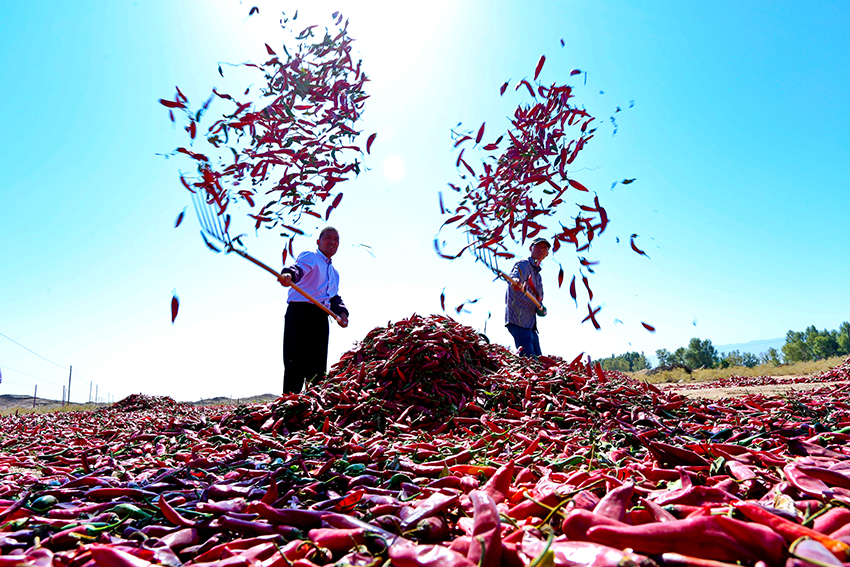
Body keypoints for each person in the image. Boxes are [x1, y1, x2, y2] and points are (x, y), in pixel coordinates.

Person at [279, 227, 350, 394]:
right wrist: (289, 276)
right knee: (294, 363)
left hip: (320, 318)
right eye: (328, 238)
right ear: (318, 242)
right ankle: (290, 407)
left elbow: (333, 298)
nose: (332, 241)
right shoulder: (311, 257)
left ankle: (313, 407)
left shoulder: (334, 273)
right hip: (300, 314)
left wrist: (342, 313)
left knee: (317, 368)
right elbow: (298, 269)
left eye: (336, 239)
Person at [505, 237, 550, 357]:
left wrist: (540, 308)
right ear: (531, 248)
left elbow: (538, 300)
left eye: (544, 248)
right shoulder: (524, 264)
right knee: (529, 358)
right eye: (538, 246)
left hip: (530, 324)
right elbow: (515, 277)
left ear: (547, 254)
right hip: (519, 319)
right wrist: (516, 282)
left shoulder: (538, 276)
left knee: (539, 360)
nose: (541, 249)